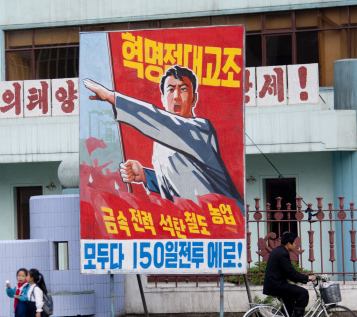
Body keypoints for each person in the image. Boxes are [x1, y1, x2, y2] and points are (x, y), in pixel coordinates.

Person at [83, 65, 244, 215]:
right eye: (171, 89)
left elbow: (160, 120)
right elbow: (180, 187)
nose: (176, 96)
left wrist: (113, 97)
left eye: (183, 89)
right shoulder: (162, 141)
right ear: (162, 98)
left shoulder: (201, 129)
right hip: (194, 225)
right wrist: (146, 176)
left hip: (228, 220)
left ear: (194, 99)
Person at [263, 233, 316, 317]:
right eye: (294, 243)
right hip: (276, 285)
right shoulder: (282, 253)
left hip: (274, 284)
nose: (295, 245)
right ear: (288, 243)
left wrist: (300, 278)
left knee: (290, 302)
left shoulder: (279, 251)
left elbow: (289, 273)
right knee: (303, 293)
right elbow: (290, 272)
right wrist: (307, 278)